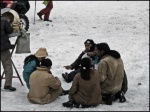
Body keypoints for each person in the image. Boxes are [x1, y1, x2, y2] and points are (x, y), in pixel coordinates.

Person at [0, 14, 16, 91]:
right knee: (7, 65)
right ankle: (8, 84)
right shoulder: (3, 21)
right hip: (3, 48)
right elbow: (10, 30)